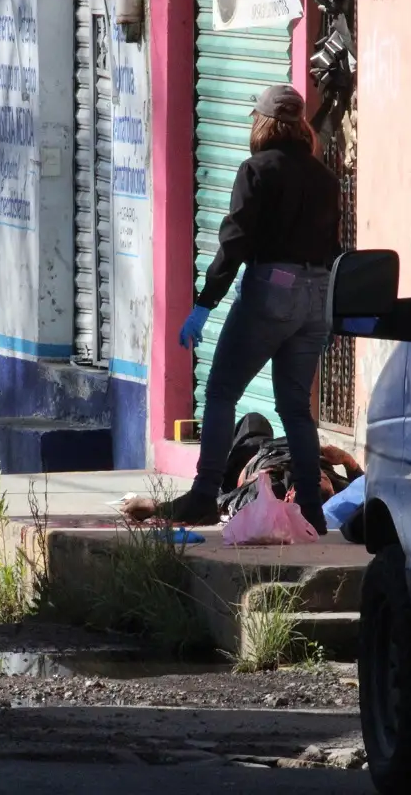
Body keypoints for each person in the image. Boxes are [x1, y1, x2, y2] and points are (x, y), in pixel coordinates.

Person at [160, 84, 342, 533]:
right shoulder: (325, 178)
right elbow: (333, 247)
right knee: (295, 407)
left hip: (272, 290)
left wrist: (205, 304)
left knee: (222, 391)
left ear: (262, 123)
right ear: (300, 125)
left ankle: (204, 494)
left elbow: (235, 241)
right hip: (317, 295)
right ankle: (312, 512)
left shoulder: (256, 170)